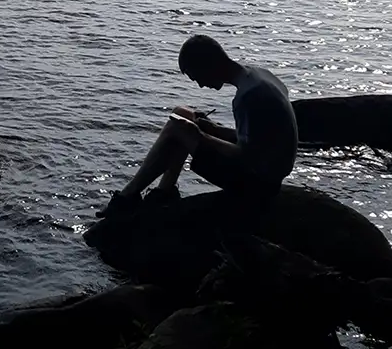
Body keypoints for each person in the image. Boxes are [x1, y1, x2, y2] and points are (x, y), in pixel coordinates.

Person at [101, 34, 298, 219]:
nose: (201, 86)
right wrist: (213, 128)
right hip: (269, 168)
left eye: (197, 78)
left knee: (179, 128)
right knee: (182, 114)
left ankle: (128, 197)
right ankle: (164, 192)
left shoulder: (248, 97)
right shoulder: (259, 76)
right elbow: (258, 139)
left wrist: (202, 137)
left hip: (260, 185)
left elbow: (248, 155)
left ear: (209, 65)